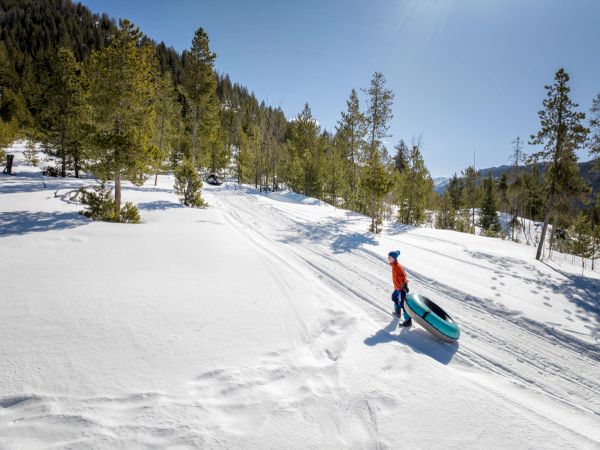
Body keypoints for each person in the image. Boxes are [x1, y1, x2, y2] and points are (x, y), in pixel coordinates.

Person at [388, 250, 411, 327]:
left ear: (394, 258)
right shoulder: (394, 265)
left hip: (401, 289)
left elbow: (403, 277)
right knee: (394, 298)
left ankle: (408, 321)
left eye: (390, 257)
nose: (388, 258)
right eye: (388, 257)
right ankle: (397, 313)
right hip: (397, 288)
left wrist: (405, 286)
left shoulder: (397, 267)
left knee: (403, 304)